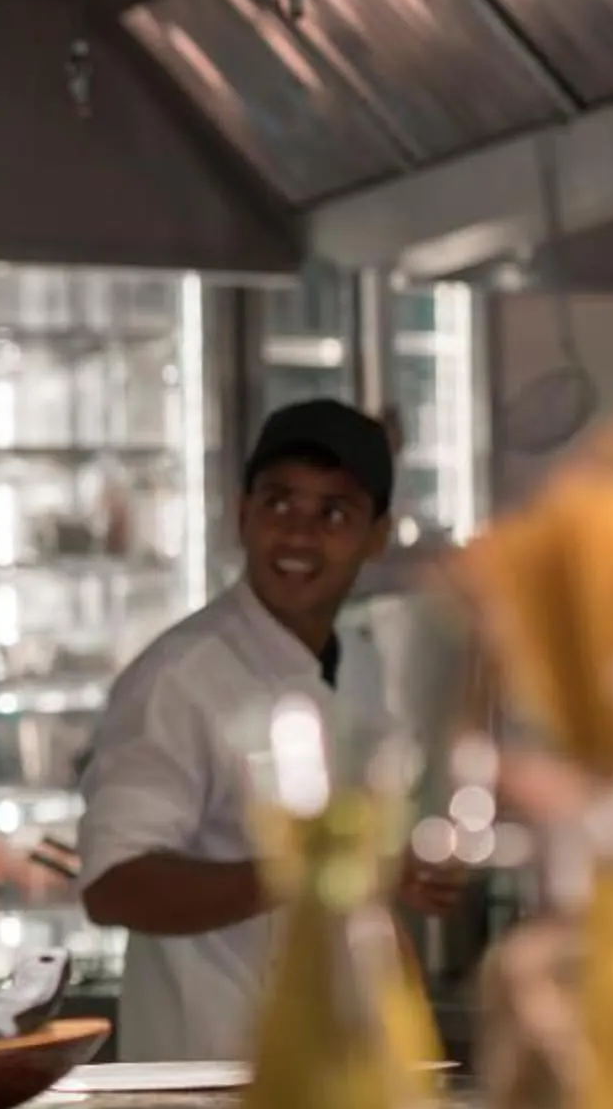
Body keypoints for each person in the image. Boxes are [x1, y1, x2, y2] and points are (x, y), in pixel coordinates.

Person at [75, 400, 457, 1060]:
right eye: (279, 503)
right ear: (242, 511)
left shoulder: (360, 665)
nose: (299, 535)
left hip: (342, 1082)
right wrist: (320, 865)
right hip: (209, 1090)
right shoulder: (180, 679)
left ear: (377, 535)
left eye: (334, 513)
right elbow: (115, 886)